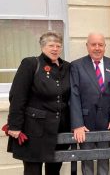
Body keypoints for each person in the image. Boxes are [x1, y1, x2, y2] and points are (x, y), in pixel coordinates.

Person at [6, 31, 71, 175]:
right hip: (34, 130)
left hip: (59, 130)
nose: (55, 49)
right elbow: (17, 96)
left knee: (54, 171)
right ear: (42, 47)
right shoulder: (30, 64)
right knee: (33, 171)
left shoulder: (67, 67)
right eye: (51, 45)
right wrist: (14, 125)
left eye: (58, 46)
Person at [70, 33, 110, 175]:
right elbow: (74, 96)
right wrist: (77, 124)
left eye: (100, 44)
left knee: (104, 160)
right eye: (93, 44)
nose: (97, 48)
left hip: (107, 123)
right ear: (87, 46)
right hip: (85, 124)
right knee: (87, 161)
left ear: (105, 46)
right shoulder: (77, 65)